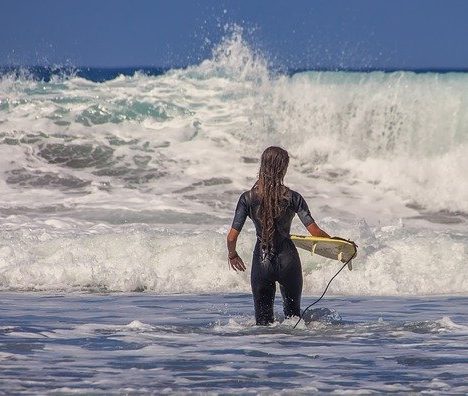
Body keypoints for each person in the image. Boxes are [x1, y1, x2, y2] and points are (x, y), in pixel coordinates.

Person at [226, 146, 330, 326]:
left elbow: (231, 237)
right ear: (284, 168)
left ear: (262, 166)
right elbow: (315, 233)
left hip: (262, 261)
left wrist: (232, 255)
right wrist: (338, 245)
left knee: (263, 323)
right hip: (289, 261)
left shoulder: (247, 198)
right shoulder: (293, 197)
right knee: (294, 320)